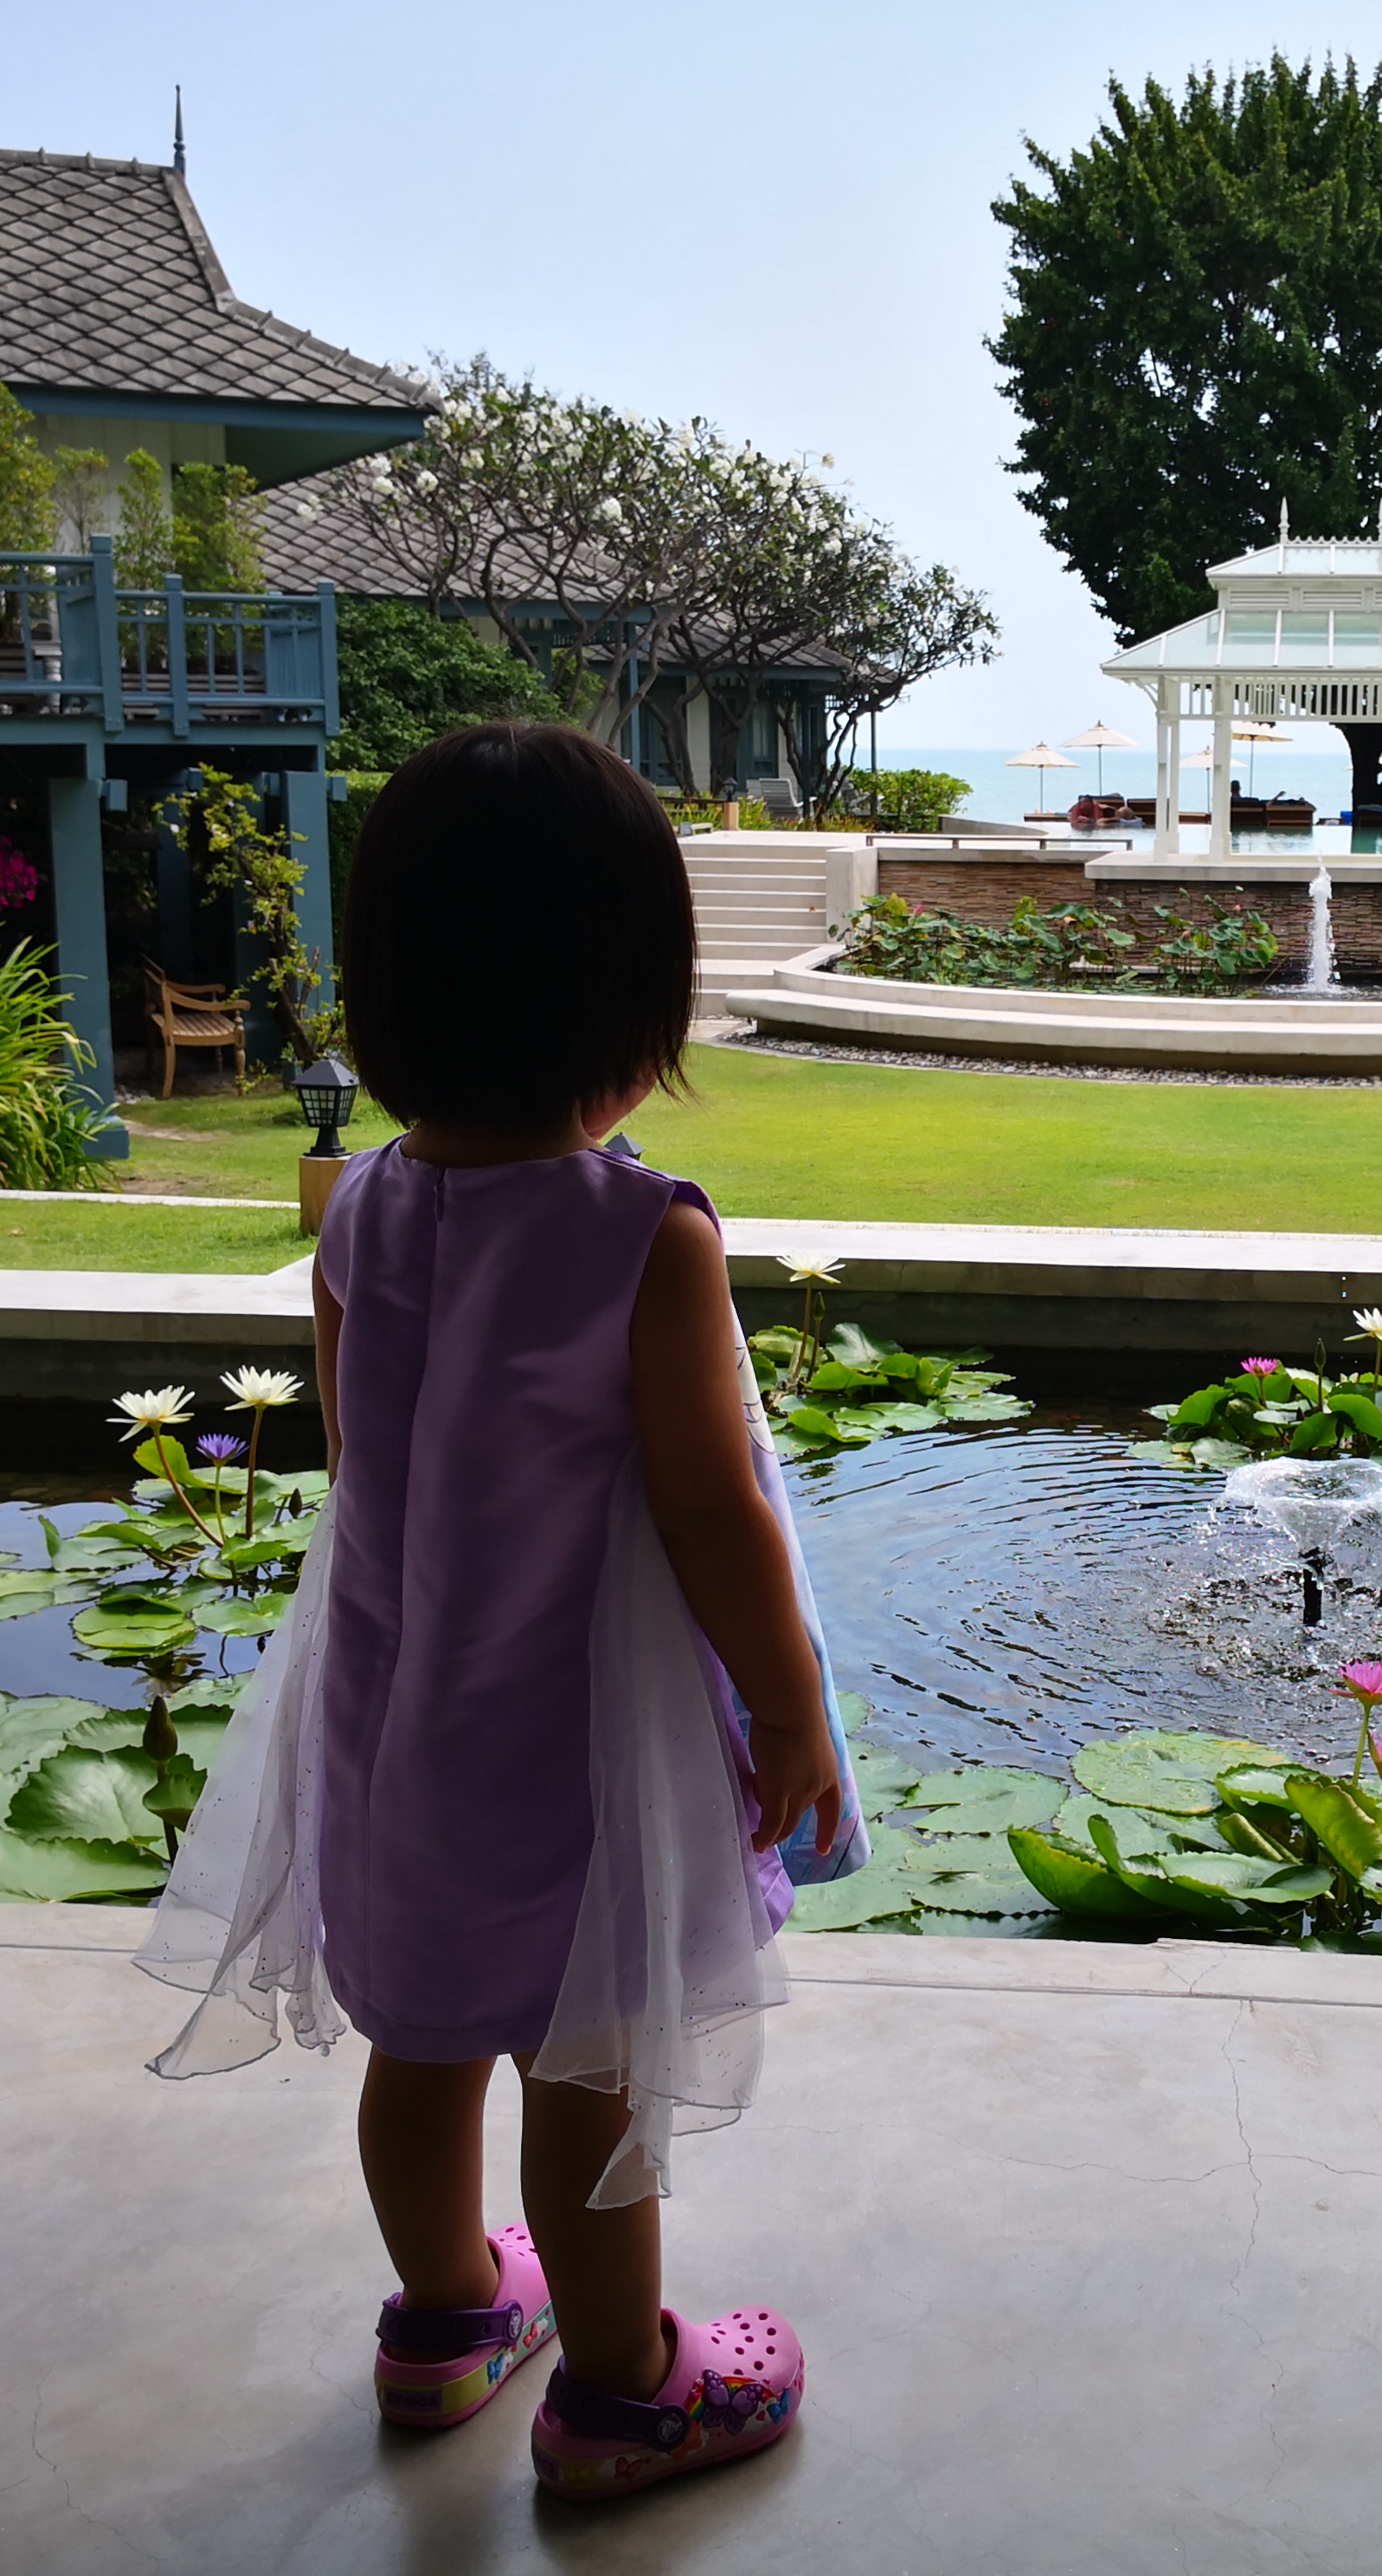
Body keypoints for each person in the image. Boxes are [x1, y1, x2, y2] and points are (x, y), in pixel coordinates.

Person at [137, 723, 851, 2505]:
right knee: (588, 2057)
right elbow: (711, 1510)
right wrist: (789, 1709)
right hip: (566, 1739)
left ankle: (445, 2319)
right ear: (629, 997)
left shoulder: (359, 1205)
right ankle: (623, 2391)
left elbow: (364, 1437)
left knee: (426, 2036)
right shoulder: (642, 1237)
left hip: (391, 1709)